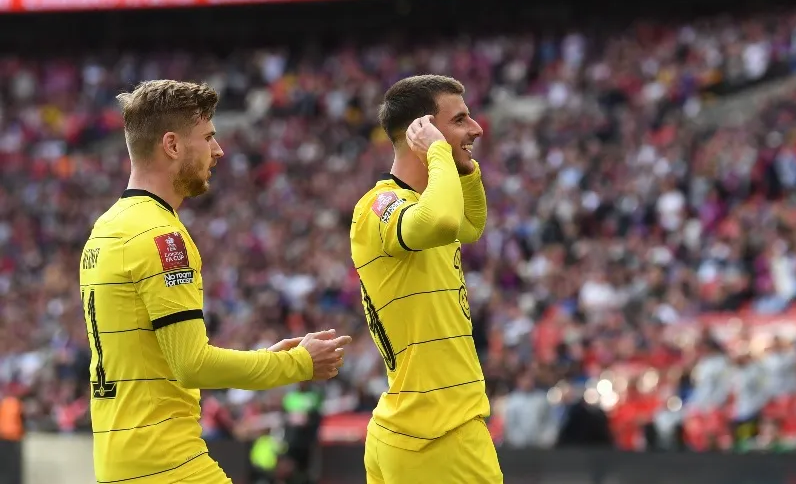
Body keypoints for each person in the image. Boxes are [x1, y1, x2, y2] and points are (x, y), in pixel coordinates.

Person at [78, 80, 351, 484]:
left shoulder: (106, 228)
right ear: (172, 145)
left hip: (120, 465)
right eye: (207, 137)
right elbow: (192, 364)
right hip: (169, 465)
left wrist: (264, 357)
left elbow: (156, 357)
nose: (218, 150)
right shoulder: (162, 236)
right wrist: (298, 363)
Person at [349, 75, 502, 483]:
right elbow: (443, 220)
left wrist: (465, 170)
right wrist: (437, 151)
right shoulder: (380, 203)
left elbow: (468, 224)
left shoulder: (424, 204)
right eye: (461, 119)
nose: (476, 128)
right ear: (422, 129)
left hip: (414, 427)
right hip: (438, 433)